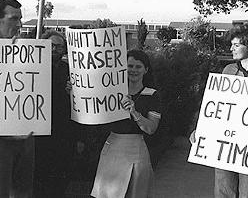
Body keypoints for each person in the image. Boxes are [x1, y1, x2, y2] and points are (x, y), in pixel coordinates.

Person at [190, 21, 248, 198]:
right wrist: (201, 130)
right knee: (223, 191)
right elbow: (216, 108)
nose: (231, 48)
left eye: (236, 45)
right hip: (225, 146)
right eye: (231, 44)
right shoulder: (228, 71)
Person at [91, 49, 161, 198]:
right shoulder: (111, 91)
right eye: (130, 66)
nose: (133, 70)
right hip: (112, 148)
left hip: (136, 151)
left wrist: (135, 113)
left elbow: (151, 128)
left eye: (138, 66)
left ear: (146, 70)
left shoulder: (152, 95)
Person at [0, 0, 35, 197]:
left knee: (23, 192)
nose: (20, 24)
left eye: (20, 19)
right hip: (2, 140)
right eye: (13, 18)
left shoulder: (27, 52)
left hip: (26, 137)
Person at [34, 30, 75, 197]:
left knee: (60, 178)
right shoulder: (32, 67)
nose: (55, 49)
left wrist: (73, 91)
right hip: (38, 134)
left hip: (63, 132)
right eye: (52, 45)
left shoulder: (69, 70)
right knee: (39, 178)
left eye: (59, 47)